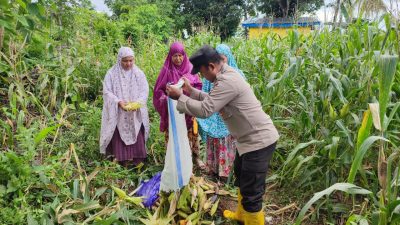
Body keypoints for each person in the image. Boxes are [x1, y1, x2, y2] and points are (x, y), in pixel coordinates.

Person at [166, 45, 279, 225]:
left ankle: (253, 219)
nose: (202, 77)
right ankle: (242, 216)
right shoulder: (224, 75)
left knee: (252, 193)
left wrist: (180, 97)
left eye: (202, 73)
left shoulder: (228, 81)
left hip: (259, 142)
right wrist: (190, 92)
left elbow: (206, 109)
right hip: (247, 141)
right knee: (242, 178)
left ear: (211, 66)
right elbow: (212, 99)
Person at [197, 44, 246, 182]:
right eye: (219, 60)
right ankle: (213, 170)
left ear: (228, 59)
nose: (222, 64)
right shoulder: (210, 76)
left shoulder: (237, 75)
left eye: (224, 60)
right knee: (214, 142)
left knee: (227, 142)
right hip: (214, 116)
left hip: (228, 119)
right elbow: (206, 96)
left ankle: (226, 174)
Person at [153, 42, 203, 168]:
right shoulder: (166, 70)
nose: (178, 59)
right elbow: (158, 90)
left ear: (184, 55)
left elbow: (198, 86)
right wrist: (165, 99)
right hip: (172, 110)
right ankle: (174, 161)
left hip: (188, 107)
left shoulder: (190, 68)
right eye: (175, 55)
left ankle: (195, 158)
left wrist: (186, 90)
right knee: (174, 134)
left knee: (192, 133)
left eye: (180, 55)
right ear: (170, 56)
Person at [100, 47, 150, 168]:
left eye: (131, 60)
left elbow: (144, 91)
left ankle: (136, 161)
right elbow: (107, 92)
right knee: (118, 134)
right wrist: (118, 102)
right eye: (125, 61)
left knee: (136, 132)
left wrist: (137, 103)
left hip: (134, 112)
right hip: (119, 113)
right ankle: (121, 161)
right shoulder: (111, 74)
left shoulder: (139, 74)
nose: (128, 64)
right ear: (119, 60)